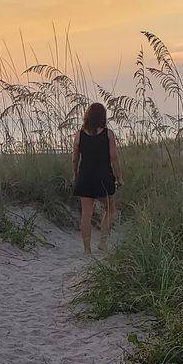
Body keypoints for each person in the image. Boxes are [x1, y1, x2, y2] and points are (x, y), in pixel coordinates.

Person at [72, 101, 122, 255]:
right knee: (110, 210)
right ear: (103, 117)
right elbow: (113, 158)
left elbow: (75, 158)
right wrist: (119, 177)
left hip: (85, 178)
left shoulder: (79, 134)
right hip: (103, 178)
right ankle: (102, 242)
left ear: (87, 116)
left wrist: (75, 174)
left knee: (86, 214)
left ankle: (87, 250)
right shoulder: (108, 134)